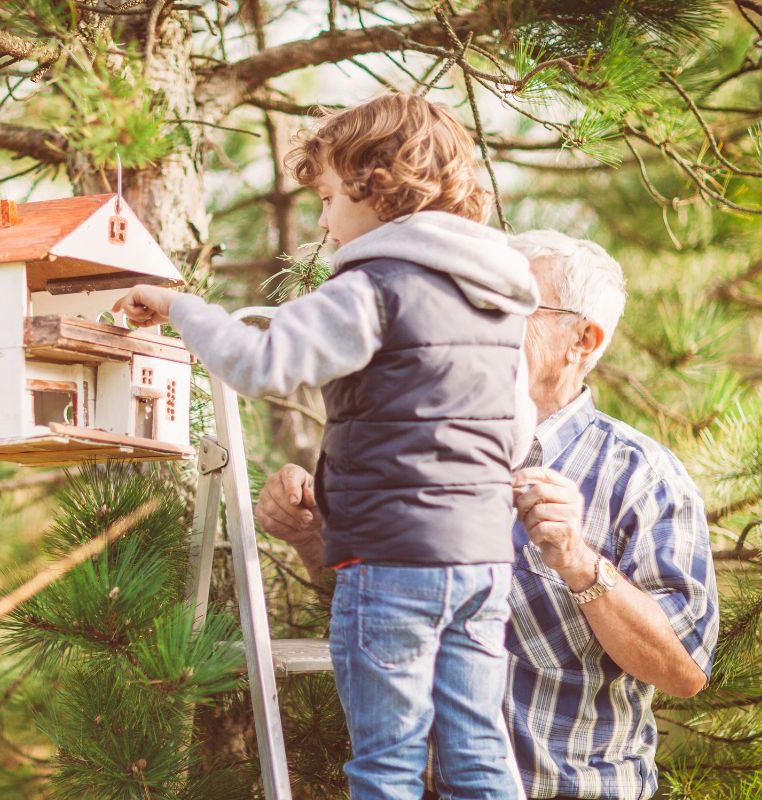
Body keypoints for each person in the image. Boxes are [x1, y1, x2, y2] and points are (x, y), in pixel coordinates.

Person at [112, 93, 536, 799]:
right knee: (480, 756)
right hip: (484, 559)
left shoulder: (374, 284)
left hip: (392, 562)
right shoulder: (498, 296)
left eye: (331, 196)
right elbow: (518, 433)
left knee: (387, 764)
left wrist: (181, 307)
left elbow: (260, 365)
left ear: (380, 189)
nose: (324, 219)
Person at [257, 230, 720, 800]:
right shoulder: (415, 439)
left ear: (582, 340)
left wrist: (579, 564)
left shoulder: (645, 475)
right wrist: (311, 538)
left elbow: (684, 670)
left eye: (506, 305)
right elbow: (376, 610)